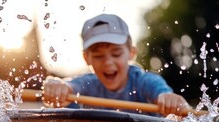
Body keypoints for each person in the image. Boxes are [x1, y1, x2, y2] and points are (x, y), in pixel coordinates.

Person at [42, 13, 190, 116]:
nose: (107, 62)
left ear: (131, 53)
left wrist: (171, 99)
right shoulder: (88, 83)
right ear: (86, 58)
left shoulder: (145, 81)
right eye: (99, 56)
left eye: (116, 54)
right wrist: (58, 87)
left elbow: (163, 94)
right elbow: (71, 86)